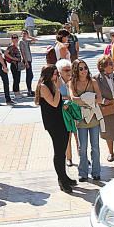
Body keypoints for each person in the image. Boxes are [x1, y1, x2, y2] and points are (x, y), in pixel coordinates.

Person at [35, 65, 78, 193]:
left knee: (63, 149)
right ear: (48, 74)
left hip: (61, 120)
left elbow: (58, 101)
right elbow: (53, 103)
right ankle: (61, 180)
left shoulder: (53, 84)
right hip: (53, 123)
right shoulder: (43, 87)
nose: (57, 76)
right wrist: (58, 88)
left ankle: (64, 176)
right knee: (59, 152)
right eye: (55, 74)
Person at [69, 57, 103, 183]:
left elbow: (99, 99)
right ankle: (82, 173)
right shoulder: (72, 83)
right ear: (76, 70)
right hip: (81, 120)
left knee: (95, 147)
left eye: (85, 68)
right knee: (82, 147)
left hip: (94, 118)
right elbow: (73, 99)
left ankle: (96, 172)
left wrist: (84, 99)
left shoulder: (92, 81)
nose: (84, 71)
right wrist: (90, 99)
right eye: (80, 68)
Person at [57, 59, 77, 166]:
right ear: (60, 71)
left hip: (74, 110)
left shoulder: (73, 80)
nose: (69, 72)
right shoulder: (57, 82)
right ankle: (69, 158)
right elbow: (57, 97)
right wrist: (67, 98)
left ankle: (81, 156)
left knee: (78, 134)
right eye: (66, 70)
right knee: (67, 135)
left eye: (70, 69)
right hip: (64, 111)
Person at [19, 29, 35, 95]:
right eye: (23, 33)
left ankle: (30, 89)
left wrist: (29, 37)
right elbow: (22, 52)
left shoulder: (26, 41)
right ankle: (29, 90)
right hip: (26, 60)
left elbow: (35, 40)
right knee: (29, 75)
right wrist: (26, 62)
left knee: (30, 75)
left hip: (29, 59)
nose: (24, 35)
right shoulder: (21, 42)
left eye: (25, 33)